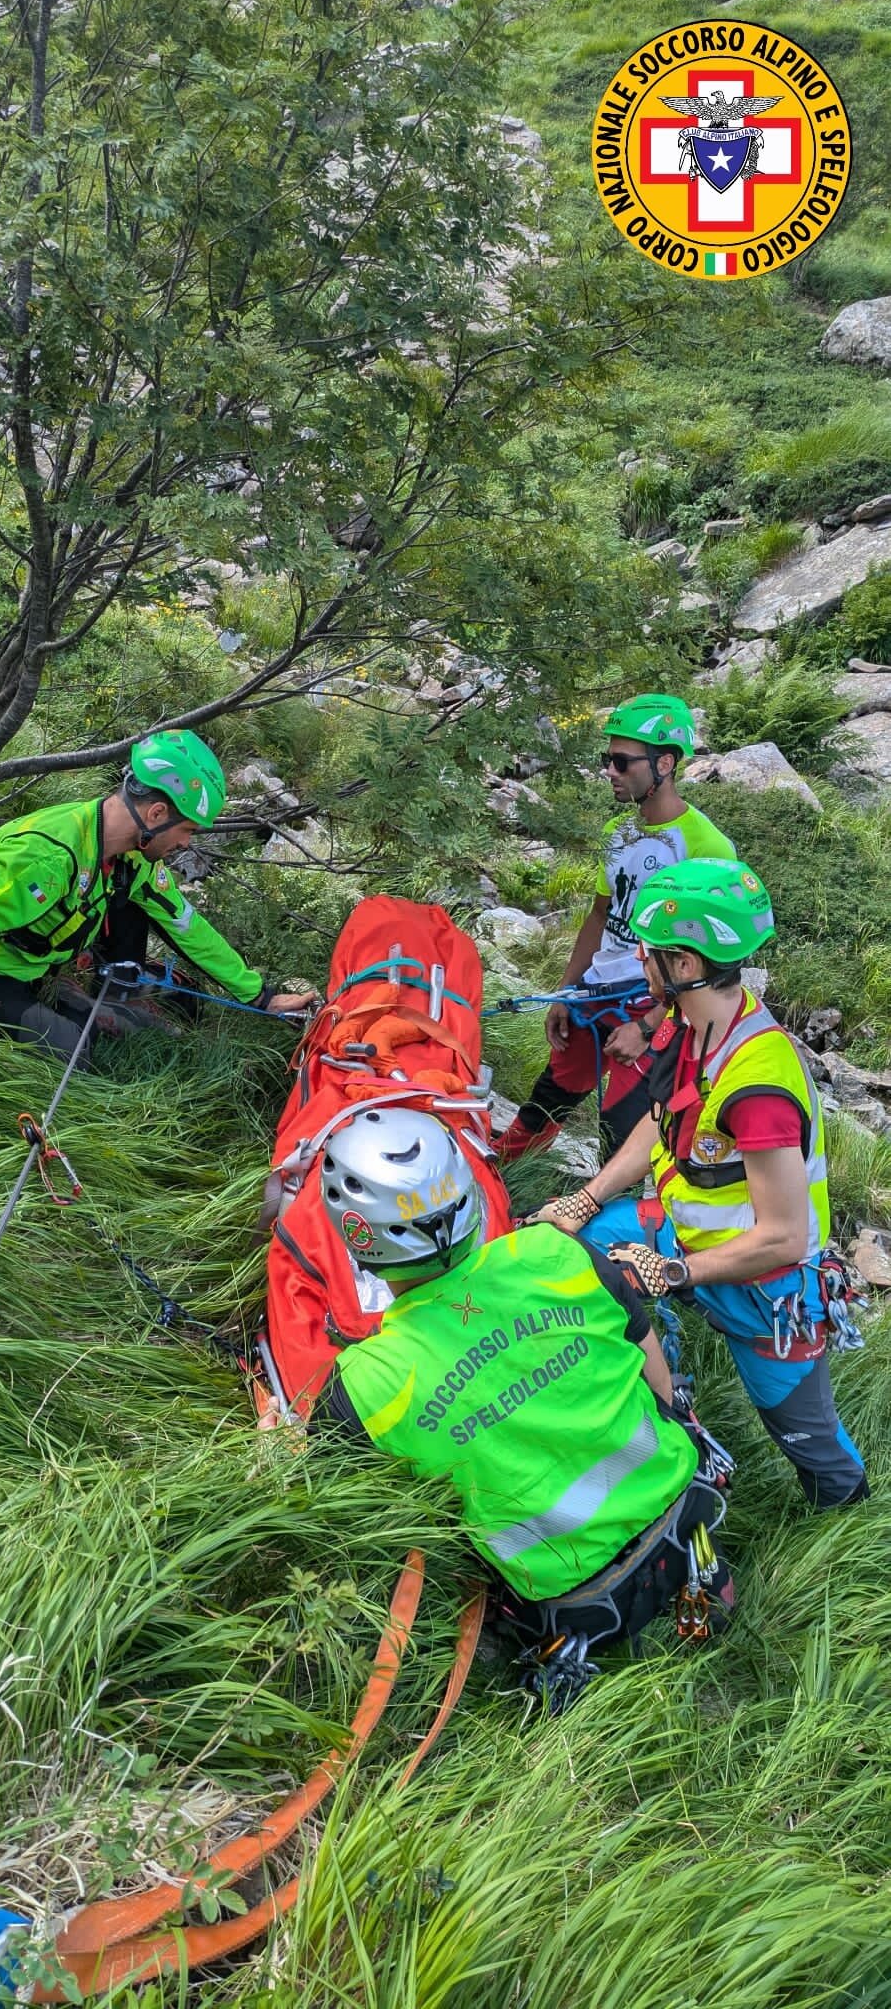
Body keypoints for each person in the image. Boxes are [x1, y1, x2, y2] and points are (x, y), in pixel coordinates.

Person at [311, 1104, 732, 1676]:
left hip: (572, 1602)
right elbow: (654, 1373)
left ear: (356, 1237)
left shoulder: (363, 1385)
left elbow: (348, 1515)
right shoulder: (556, 1253)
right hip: (685, 1505)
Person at [532, 857, 868, 1511]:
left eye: (648, 953)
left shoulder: (757, 1086)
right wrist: (585, 1200)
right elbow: (659, 1128)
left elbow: (782, 1236)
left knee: (809, 1442)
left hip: (765, 1294)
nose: (638, 961)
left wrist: (669, 1276)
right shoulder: (697, 1025)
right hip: (686, 1238)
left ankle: (848, 1527)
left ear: (685, 964)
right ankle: (664, 1401)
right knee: (586, 1248)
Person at [0, 729, 315, 1061]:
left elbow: (185, 925)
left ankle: (100, 994)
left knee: (154, 1004)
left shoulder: (132, 856)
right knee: (73, 1052)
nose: (186, 844)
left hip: (42, 962)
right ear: (157, 814)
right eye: (188, 831)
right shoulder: (48, 857)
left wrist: (260, 997)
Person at [498, 695, 736, 1162]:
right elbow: (601, 915)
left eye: (622, 761)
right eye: (608, 760)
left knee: (623, 1133)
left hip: (653, 1002)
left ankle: (610, 1226)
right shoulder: (619, 833)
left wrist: (649, 1027)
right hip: (596, 993)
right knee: (548, 1098)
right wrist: (565, 993)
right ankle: (498, 1179)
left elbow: (710, 965)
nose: (610, 770)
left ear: (664, 763)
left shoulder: (708, 848)